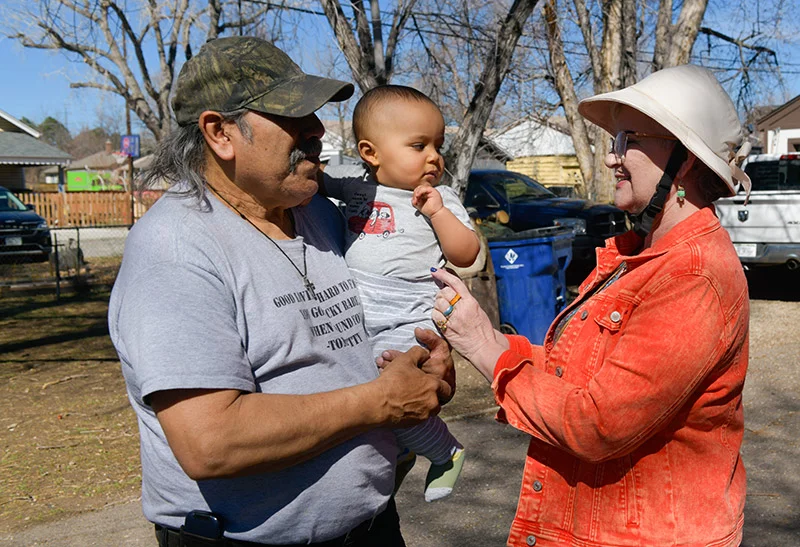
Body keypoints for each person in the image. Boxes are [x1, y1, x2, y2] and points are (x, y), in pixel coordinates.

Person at [108, 36, 456, 547]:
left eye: (314, 113)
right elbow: (211, 441)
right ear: (220, 133)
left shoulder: (315, 210)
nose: (316, 130)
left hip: (371, 527)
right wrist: (380, 402)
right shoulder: (174, 251)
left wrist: (424, 362)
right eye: (292, 116)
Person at [427, 64, 752, 546]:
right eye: (613, 141)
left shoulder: (692, 276)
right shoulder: (638, 256)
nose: (611, 159)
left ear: (683, 160)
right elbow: (576, 374)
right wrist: (485, 335)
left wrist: (481, 347)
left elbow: (598, 422)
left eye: (627, 140)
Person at [322, 85, 480, 503]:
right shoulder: (355, 189)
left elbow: (466, 253)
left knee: (397, 387)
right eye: (418, 145)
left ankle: (446, 451)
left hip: (408, 317)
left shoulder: (438, 197)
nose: (434, 156)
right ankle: (406, 448)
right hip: (359, 313)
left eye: (438, 145)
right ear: (371, 153)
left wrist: (439, 213)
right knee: (363, 393)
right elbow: (316, 182)